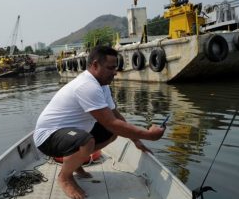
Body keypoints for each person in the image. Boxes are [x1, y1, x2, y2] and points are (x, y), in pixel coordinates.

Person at [33, 46, 165, 199]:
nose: (115, 72)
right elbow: (111, 122)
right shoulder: (87, 86)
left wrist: (137, 140)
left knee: (112, 133)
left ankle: (76, 164)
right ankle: (64, 177)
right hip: (47, 137)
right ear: (95, 65)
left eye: (115, 67)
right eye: (110, 68)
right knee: (87, 141)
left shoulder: (103, 86)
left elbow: (117, 119)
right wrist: (150, 135)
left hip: (69, 132)